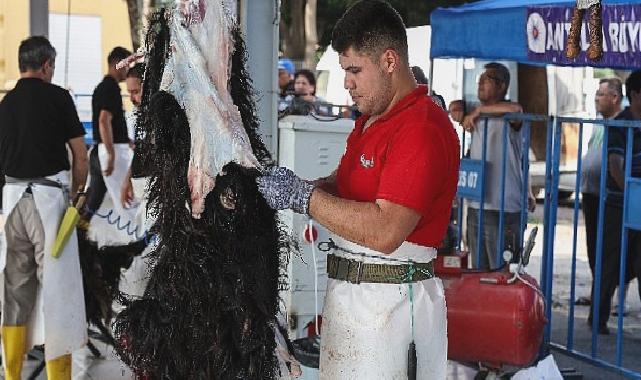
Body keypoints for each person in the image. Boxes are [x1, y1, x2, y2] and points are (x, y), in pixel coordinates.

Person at [257, 1, 460, 378]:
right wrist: (299, 188)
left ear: (388, 60)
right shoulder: (372, 120)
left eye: (354, 70)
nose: (347, 82)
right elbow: (346, 185)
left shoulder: (421, 128)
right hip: (353, 303)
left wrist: (303, 197)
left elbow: (385, 230)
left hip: (395, 311)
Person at [0, 36, 88, 380]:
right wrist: (77, 197)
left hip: (11, 202)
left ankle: (12, 374)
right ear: (47, 65)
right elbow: (81, 156)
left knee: (14, 295)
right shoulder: (58, 98)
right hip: (49, 203)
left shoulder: (4, 106)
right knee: (58, 293)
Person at [449, 62, 535, 269]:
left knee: (504, 271)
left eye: (487, 79)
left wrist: (478, 111)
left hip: (504, 205)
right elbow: (454, 107)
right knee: (479, 271)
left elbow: (516, 109)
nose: (480, 82)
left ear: (502, 86)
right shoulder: (475, 112)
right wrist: (463, 110)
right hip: (477, 204)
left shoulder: (510, 114)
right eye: (480, 79)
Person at [593, 70, 641, 335]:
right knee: (610, 264)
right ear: (634, 94)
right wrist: (632, 195)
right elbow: (615, 167)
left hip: (637, 203)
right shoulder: (621, 125)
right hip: (618, 204)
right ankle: (598, 319)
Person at [576, 78, 622, 307]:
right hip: (592, 194)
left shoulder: (621, 124)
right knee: (594, 247)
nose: (596, 98)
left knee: (608, 249)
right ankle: (598, 294)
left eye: (601, 94)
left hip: (608, 196)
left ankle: (606, 299)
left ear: (615, 98)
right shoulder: (599, 123)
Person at [84, 46, 131, 223]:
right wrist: (111, 154)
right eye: (127, 64)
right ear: (117, 63)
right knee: (124, 198)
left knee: (94, 201)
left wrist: (127, 140)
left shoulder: (101, 87)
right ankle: (135, 240)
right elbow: (104, 120)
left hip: (99, 150)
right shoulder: (110, 88)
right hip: (111, 151)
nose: (128, 69)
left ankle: (81, 233)